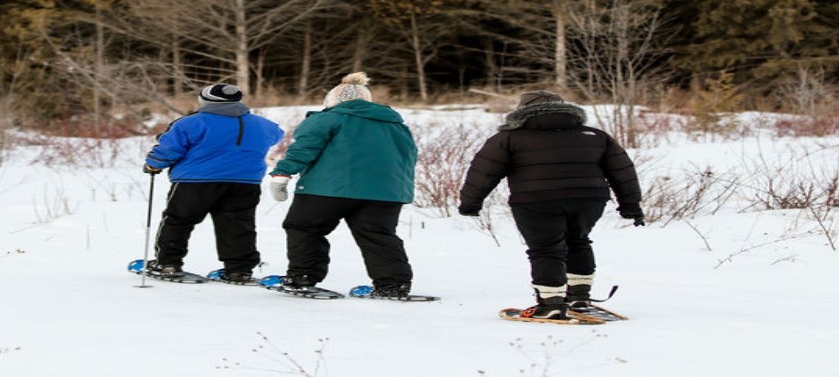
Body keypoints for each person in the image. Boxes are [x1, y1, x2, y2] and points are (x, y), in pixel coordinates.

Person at [457, 90, 643, 320]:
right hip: (589, 199)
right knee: (579, 241)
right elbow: (622, 172)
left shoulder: (509, 138)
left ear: (522, 111)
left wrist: (470, 203)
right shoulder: (594, 135)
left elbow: (483, 171)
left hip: (535, 199)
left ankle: (551, 302)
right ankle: (579, 297)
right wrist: (631, 206)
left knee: (546, 249)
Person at [267, 72, 418, 296]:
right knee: (378, 235)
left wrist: (282, 174)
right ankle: (393, 284)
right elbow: (408, 158)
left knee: (304, 227)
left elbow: (304, 149)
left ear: (333, 100)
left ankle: (302, 277)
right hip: (385, 193)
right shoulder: (396, 125)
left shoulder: (327, 118)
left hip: (328, 189)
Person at [143, 84, 285, 283]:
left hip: (195, 182)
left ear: (205, 101)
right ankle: (238, 270)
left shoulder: (190, 123)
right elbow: (277, 136)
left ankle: (168, 263)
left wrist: (153, 165)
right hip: (245, 182)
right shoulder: (264, 124)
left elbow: (169, 148)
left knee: (178, 221)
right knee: (238, 225)